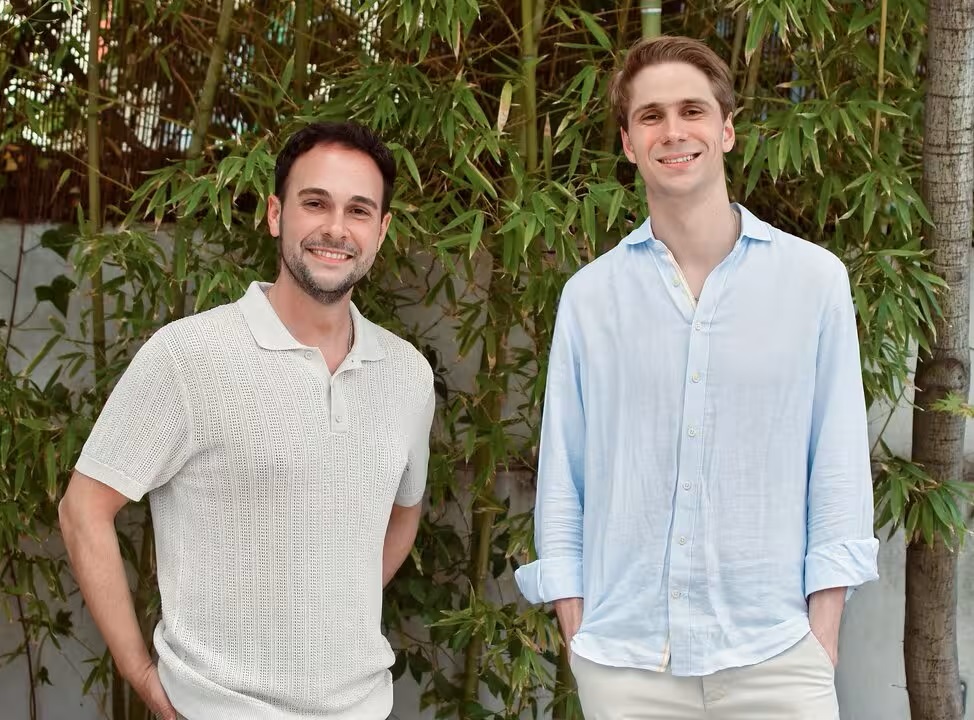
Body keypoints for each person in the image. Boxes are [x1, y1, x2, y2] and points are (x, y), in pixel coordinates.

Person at [514, 36, 878, 719]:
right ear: (629, 143)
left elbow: (837, 465)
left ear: (727, 129)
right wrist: (575, 626)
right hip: (625, 664)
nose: (673, 131)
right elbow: (564, 471)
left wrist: (821, 632)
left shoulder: (813, 281)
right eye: (651, 116)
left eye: (692, 110)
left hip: (777, 656)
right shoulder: (590, 298)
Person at [58, 121, 435, 720]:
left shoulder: (408, 374)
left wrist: (328, 610)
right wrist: (141, 675)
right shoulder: (188, 357)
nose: (337, 229)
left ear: (382, 230)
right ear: (275, 214)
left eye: (359, 210)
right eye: (316, 203)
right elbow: (83, 509)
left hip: (362, 706)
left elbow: (403, 513)